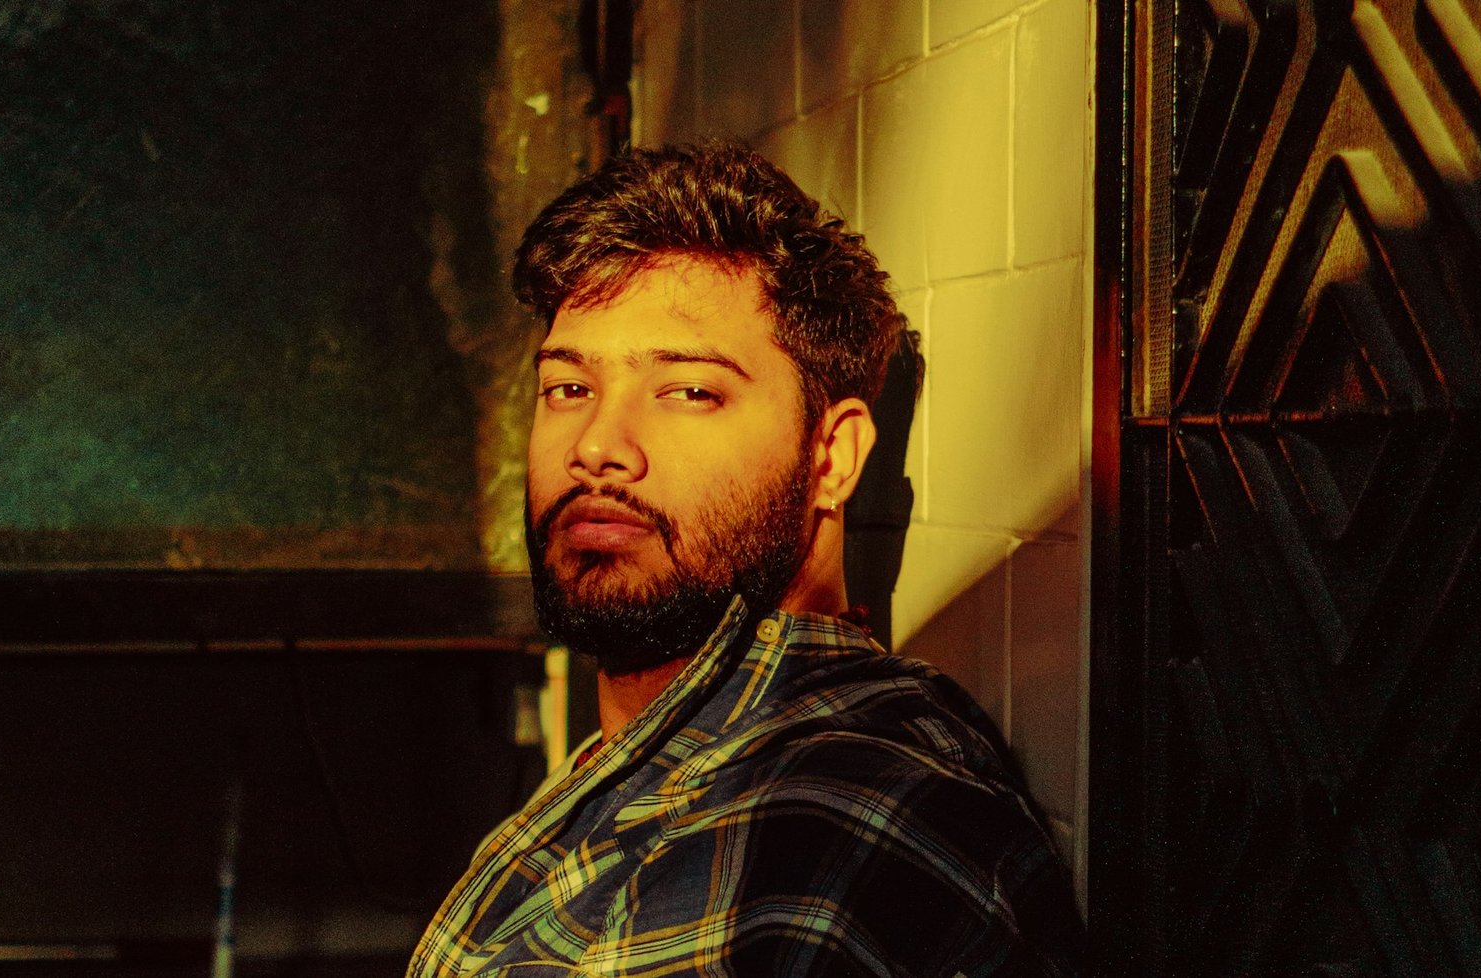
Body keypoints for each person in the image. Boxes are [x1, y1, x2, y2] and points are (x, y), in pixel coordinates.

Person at [408, 143, 1083, 977]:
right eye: (569, 388)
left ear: (831, 458)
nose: (597, 445)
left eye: (690, 392)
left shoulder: (816, 840)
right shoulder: (664, 753)